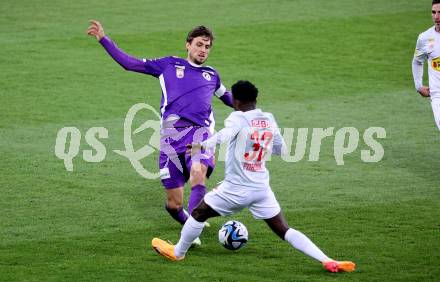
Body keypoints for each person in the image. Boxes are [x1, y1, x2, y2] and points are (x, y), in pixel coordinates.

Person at [151, 81, 356, 273]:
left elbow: (225, 135)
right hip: (261, 189)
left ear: (236, 101)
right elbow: (281, 150)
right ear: (255, 100)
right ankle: (328, 260)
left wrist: (202, 145)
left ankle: (177, 252)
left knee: (198, 213)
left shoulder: (237, 118)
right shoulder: (268, 119)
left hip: (235, 188)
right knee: (284, 229)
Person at [87, 21, 234, 236]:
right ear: (188, 45)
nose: (203, 50)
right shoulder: (168, 66)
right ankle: (190, 223)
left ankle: (193, 230)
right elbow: (131, 64)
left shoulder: (211, 75)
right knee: (174, 205)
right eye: (199, 45)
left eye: (207, 47)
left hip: (199, 133)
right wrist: (103, 39)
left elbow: (228, 97)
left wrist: (253, 111)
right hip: (171, 140)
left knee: (197, 171)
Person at [412, 0, 440, 130]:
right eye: (434, 12)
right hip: (437, 95)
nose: (436, 17)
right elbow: (417, 61)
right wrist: (418, 85)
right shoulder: (425, 37)